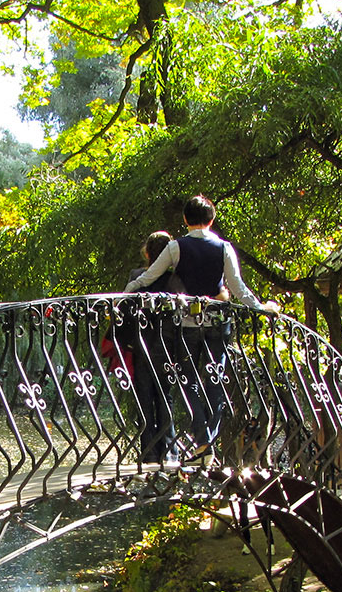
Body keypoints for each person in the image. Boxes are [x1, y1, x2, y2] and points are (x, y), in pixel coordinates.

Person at [125, 196, 276, 460]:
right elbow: (237, 287)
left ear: (185, 220)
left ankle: (203, 439)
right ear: (211, 219)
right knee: (215, 378)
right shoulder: (224, 247)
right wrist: (260, 307)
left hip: (188, 323)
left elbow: (150, 276)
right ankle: (208, 437)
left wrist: (128, 291)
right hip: (218, 323)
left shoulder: (176, 247)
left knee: (189, 380)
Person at [117, 231, 183, 462]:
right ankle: (170, 452)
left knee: (144, 397)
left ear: (147, 252)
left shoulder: (137, 276)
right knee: (165, 396)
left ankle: (149, 453)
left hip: (140, 344)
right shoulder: (175, 278)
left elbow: (124, 309)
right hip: (166, 345)